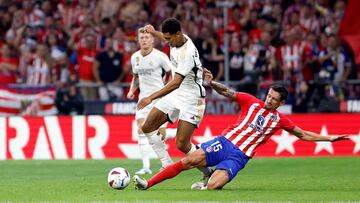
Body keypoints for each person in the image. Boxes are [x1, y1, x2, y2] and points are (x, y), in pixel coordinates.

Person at [133, 68, 349, 190]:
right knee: (187, 160)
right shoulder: (251, 101)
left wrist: (329, 139)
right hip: (224, 142)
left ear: (280, 103)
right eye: (269, 96)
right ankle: (148, 183)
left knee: (214, 186)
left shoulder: (280, 120)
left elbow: (303, 134)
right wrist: (213, 83)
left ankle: (207, 181)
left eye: (274, 99)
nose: (269, 100)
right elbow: (228, 92)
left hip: (240, 156)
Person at [138, 18, 213, 186]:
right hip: (177, 94)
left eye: (169, 38)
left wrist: (151, 97)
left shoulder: (188, 52)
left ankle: (209, 174)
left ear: (178, 34)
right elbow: (164, 37)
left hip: (192, 99)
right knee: (147, 126)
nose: (167, 41)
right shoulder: (177, 39)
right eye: (166, 38)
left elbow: (175, 82)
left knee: (182, 144)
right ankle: (166, 163)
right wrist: (152, 32)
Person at [127, 27, 175, 175]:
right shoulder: (134, 57)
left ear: (152, 40)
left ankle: (176, 133)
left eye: (147, 37)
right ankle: (146, 167)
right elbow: (135, 77)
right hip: (143, 99)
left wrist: (168, 90)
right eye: (141, 38)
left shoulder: (160, 56)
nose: (144, 40)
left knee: (159, 135)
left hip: (159, 98)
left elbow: (172, 74)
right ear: (138, 40)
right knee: (141, 129)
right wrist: (131, 90)